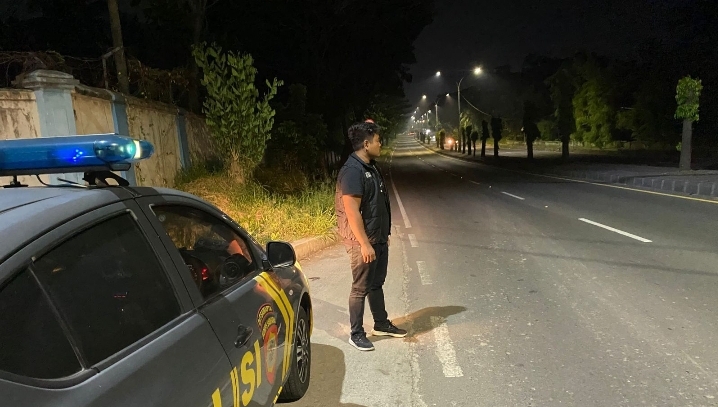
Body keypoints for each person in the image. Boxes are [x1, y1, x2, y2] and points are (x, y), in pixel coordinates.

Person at [335, 121, 407, 351]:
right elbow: (352, 211)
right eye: (377, 140)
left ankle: (381, 323)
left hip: (377, 238)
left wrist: (383, 236)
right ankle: (356, 333)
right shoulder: (352, 171)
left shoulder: (370, 167)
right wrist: (365, 244)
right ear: (366, 144)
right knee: (360, 287)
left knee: (376, 283)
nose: (380, 144)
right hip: (361, 241)